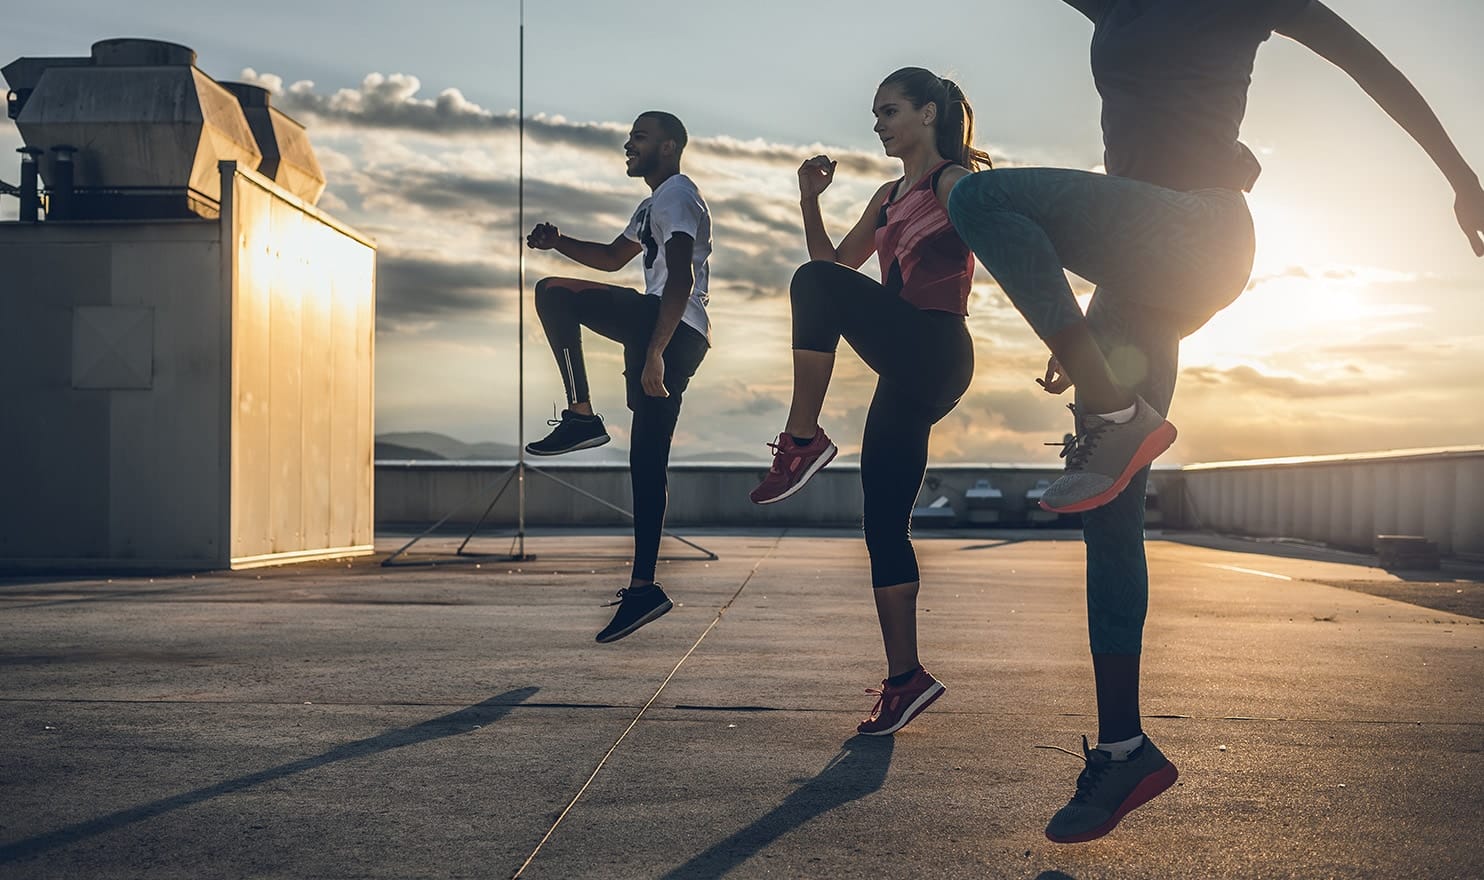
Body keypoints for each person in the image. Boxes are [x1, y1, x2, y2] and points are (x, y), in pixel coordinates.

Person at [946, 0, 1484, 844]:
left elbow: (1374, 70)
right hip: (1136, 265)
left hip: (1198, 232)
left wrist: (1461, 179)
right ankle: (1125, 750)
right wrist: (1080, 331)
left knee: (978, 199)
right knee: (1107, 502)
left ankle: (1118, 410)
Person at [748, 67, 991, 735]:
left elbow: (1012, 248)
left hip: (935, 346)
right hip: (904, 365)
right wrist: (807, 199)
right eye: (875, 113)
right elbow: (834, 267)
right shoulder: (888, 197)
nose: (878, 124)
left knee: (812, 284)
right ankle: (905, 678)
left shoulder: (954, 183)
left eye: (889, 111)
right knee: (883, 523)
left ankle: (802, 441)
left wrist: (1067, 340)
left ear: (929, 114)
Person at [525, 111, 713, 644]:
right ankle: (644, 588)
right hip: (674, 332)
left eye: (640, 138)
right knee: (647, 463)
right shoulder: (654, 202)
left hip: (667, 326)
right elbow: (612, 259)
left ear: (670, 147)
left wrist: (654, 350)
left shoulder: (676, 193)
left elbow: (682, 275)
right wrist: (559, 239)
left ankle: (581, 415)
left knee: (553, 293)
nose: (628, 145)